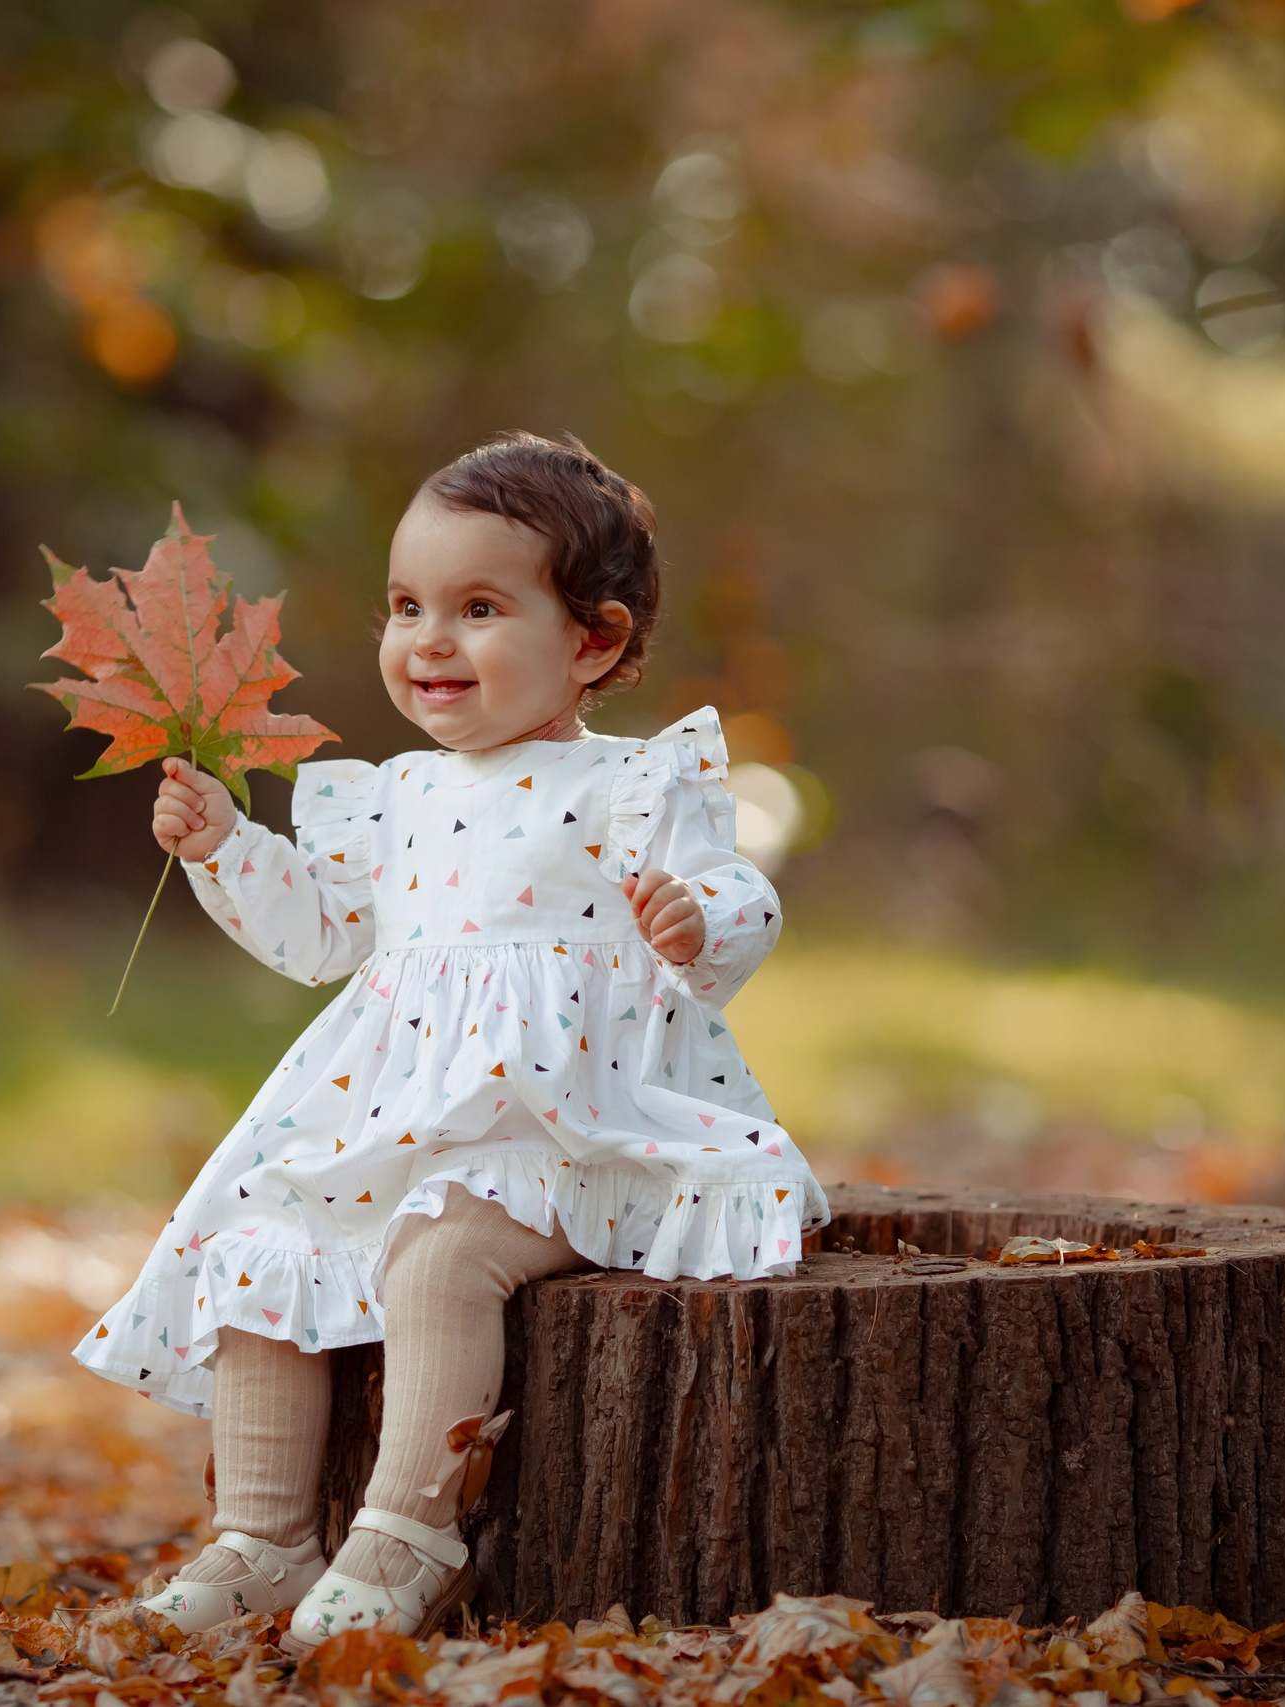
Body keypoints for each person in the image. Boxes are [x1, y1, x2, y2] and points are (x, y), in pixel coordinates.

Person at [74, 432, 827, 1649]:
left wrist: (698, 922)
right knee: (267, 1249)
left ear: (595, 639)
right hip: (396, 1125)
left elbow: (735, 891)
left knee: (438, 1261)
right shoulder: (398, 795)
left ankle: (405, 1533)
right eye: (406, 605)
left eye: (478, 607)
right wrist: (224, 847)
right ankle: (261, 1543)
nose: (428, 638)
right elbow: (322, 934)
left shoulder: (631, 781)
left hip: (570, 1124)